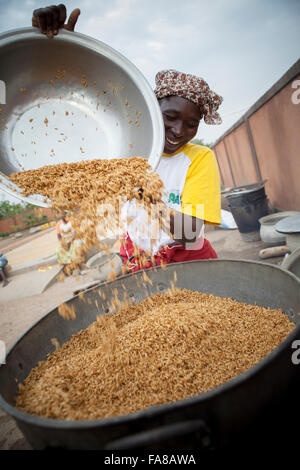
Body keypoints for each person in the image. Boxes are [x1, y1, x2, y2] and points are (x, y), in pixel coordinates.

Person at [31, 6, 223, 273]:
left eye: (191, 124)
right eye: (170, 116)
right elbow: (75, 127)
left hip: (188, 261)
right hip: (138, 261)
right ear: (152, 109)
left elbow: (190, 233)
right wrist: (60, 51)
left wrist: (145, 195)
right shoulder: (125, 149)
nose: (179, 131)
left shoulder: (198, 159)